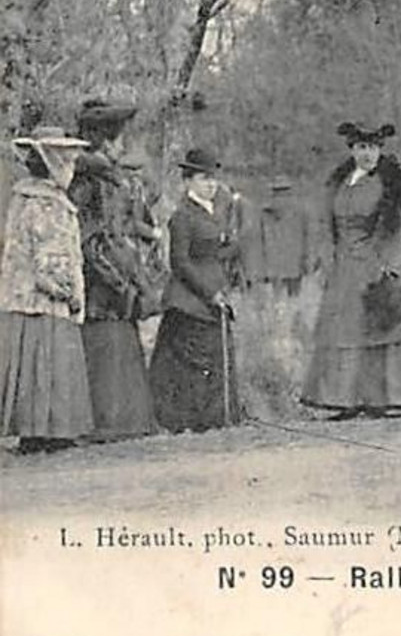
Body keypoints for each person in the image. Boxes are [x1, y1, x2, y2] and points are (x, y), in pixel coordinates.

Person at [302, 122, 401, 418]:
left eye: (372, 148)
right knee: (343, 331)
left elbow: (395, 228)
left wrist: (385, 264)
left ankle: (387, 398)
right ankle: (344, 399)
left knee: (378, 327)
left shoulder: (392, 183)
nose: (367, 154)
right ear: (352, 149)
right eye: (361, 147)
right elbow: (326, 223)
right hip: (344, 266)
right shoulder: (342, 181)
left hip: (375, 261)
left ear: (380, 149)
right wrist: (327, 257)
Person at [0, 124, 94, 453]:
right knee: (47, 363)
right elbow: (49, 262)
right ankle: (48, 432)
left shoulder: (22, 199)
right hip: (43, 299)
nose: (70, 168)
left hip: (22, 298)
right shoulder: (46, 204)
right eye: (65, 162)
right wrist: (68, 293)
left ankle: (36, 433)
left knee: (34, 365)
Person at [69, 99, 159, 440]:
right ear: (105, 141)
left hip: (115, 279)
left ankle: (126, 422)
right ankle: (105, 423)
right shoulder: (88, 183)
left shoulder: (108, 179)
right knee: (102, 346)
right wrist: (118, 281)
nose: (123, 146)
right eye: (118, 139)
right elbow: (89, 240)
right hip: (100, 284)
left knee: (119, 344)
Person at [148, 146, 243, 432]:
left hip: (213, 291)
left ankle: (216, 418)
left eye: (213, 179)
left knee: (216, 355)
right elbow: (180, 262)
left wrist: (232, 247)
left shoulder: (215, 211)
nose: (211, 184)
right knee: (190, 360)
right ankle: (186, 420)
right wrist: (209, 293)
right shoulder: (182, 216)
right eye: (203, 179)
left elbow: (216, 251)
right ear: (188, 182)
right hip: (189, 298)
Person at [240, 176, 320, 298]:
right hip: (296, 264)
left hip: (272, 264)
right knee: (294, 300)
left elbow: (257, 241)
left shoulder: (264, 211)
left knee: (276, 303)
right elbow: (310, 237)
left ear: (273, 190)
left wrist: (256, 269)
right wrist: (310, 261)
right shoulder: (302, 209)